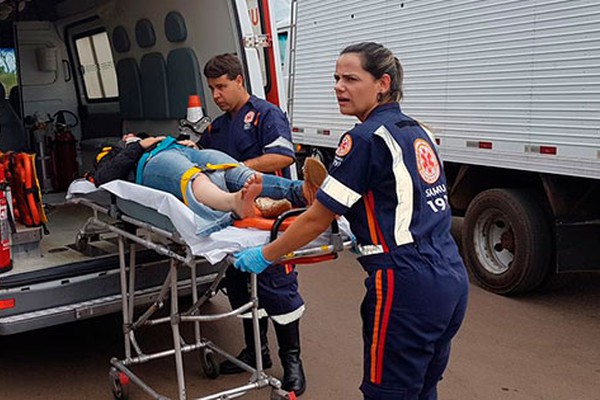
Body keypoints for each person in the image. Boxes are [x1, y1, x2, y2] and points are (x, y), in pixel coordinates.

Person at [233, 42, 469, 400]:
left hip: (404, 281)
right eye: (336, 78)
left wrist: (267, 254)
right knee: (422, 389)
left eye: (350, 78)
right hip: (449, 275)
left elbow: (316, 219)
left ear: (382, 83)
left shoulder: (363, 138)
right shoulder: (416, 131)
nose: (338, 87)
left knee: (388, 392)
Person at [200, 53, 309, 396]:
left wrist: (238, 170)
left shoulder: (265, 115)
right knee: (238, 285)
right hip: (234, 221)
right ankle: (255, 350)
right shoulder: (217, 126)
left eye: (221, 87)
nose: (216, 95)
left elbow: (283, 155)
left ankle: (292, 361)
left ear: (239, 81)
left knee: (277, 288)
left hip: (268, 219)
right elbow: (204, 160)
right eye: (211, 89)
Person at [93, 133, 325, 237]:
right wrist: (138, 146)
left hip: (181, 149)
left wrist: (187, 144)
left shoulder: (153, 138)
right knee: (192, 176)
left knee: (235, 170)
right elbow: (104, 176)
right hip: (151, 163)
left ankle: (302, 191)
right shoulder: (114, 151)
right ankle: (234, 203)